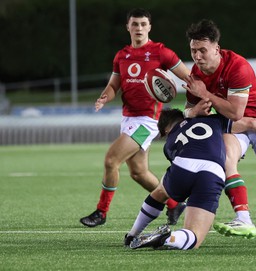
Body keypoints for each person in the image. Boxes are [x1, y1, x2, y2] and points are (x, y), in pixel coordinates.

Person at [182, 19, 256, 241]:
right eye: (193, 51)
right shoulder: (196, 74)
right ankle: (244, 219)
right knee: (226, 159)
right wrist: (192, 112)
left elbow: (236, 111)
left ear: (216, 49)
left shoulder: (237, 66)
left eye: (202, 50)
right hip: (234, 126)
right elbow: (190, 109)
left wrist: (206, 95)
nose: (197, 56)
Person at [124, 107, 256, 250]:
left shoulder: (168, 144)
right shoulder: (215, 120)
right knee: (194, 237)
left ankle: (132, 235)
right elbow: (252, 123)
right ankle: (168, 239)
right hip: (212, 173)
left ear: (166, 130)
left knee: (160, 192)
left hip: (184, 167)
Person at [79, 8, 190, 227]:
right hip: (128, 119)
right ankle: (175, 203)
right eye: (135, 24)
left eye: (143, 24)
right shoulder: (122, 55)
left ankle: (101, 212)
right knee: (139, 173)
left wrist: (200, 96)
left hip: (148, 121)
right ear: (127, 27)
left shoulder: (161, 52)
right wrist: (104, 97)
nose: (139, 28)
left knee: (111, 160)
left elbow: (188, 76)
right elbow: (113, 85)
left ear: (149, 27)